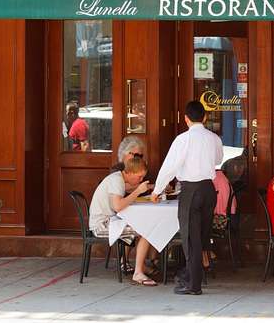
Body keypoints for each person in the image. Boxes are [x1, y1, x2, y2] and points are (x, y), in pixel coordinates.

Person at [152, 100, 223, 296]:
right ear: (205, 117)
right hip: (209, 189)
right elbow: (218, 160)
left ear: (185, 119)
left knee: (191, 237)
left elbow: (169, 167)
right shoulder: (214, 138)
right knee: (202, 235)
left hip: (191, 189)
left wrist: (157, 190)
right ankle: (193, 275)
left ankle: (193, 284)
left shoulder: (183, 139)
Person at [89, 157, 157, 286]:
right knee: (146, 230)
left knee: (139, 225)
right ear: (130, 173)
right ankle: (138, 272)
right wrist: (138, 191)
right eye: (139, 177)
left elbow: (129, 188)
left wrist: (152, 187)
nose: (140, 180)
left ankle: (135, 265)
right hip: (101, 226)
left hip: (108, 221)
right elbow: (118, 206)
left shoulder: (118, 178)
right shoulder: (117, 181)